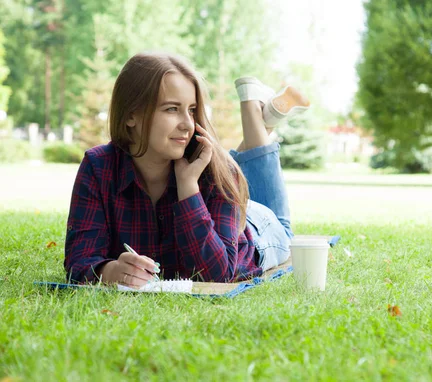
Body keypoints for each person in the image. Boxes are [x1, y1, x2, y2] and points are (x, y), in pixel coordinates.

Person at [64, 52, 310, 287]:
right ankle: (263, 120)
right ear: (131, 115)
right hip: (232, 206)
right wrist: (109, 271)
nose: (188, 125)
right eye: (172, 109)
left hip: (259, 234)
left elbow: (217, 275)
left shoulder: (216, 172)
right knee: (233, 175)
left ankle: (256, 114)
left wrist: (189, 189)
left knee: (285, 230)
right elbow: (79, 260)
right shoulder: (98, 167)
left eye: (191, 110)